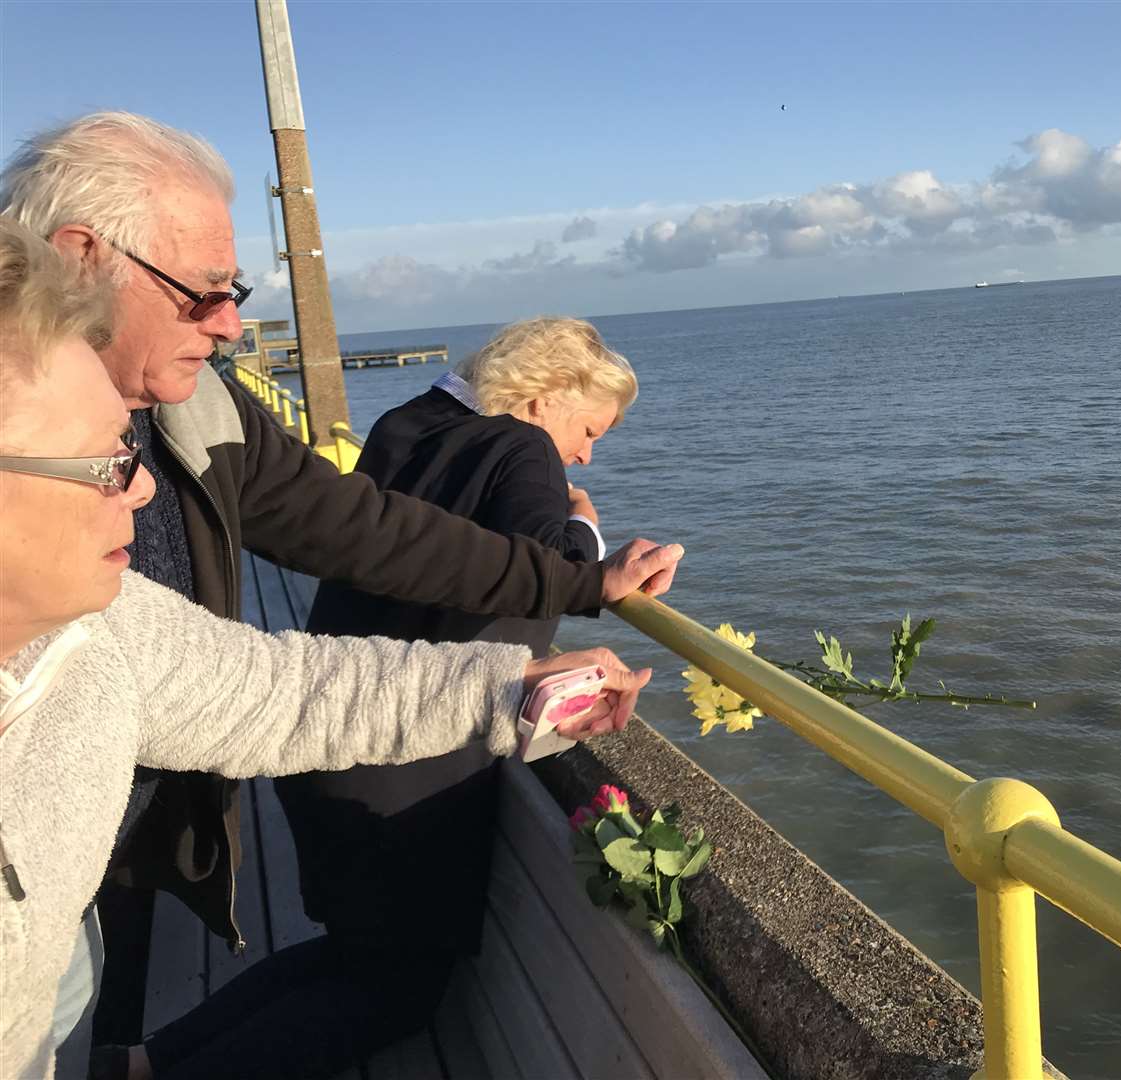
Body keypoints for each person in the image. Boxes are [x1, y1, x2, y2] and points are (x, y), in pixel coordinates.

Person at [0, 110, 683, 1046]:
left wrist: (532, 649)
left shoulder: (155, 532)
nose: (234, 324)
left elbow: (303, 640)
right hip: (124, 820)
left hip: (132, 819)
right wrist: (578, 558)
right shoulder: (518, 451)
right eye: (203, 292)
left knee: (85, 1006)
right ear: (82, 259)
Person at [120, 319, 641, 1078]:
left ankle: (141, 1061)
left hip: (333, 729)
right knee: (393, 992)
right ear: (544, 395)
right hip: (412, 763)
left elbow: (393, 540)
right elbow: (543, 559)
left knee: (352, 957)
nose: (587, 453)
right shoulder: (522, 446)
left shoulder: (407, 422)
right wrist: (585, 533)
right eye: (589, 429)